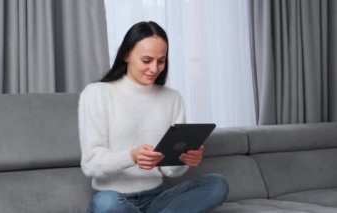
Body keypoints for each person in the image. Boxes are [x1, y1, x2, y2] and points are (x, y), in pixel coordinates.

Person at [78, 21, 228, 213]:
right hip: (114, 198)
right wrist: (131, 156)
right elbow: (90, 165)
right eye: (146, 60)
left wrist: (183, 158)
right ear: (126, 55)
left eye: (161, 61)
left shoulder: (172, 98)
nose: (154, 69)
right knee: (106, 203)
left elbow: (169, 170)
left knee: (217, 184)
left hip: (157, 198)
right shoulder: (97, 93)